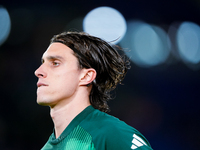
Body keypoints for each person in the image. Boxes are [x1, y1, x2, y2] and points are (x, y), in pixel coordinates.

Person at [35, 31, 153, 150]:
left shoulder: (112, 134)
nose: (38, 71)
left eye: (55, 63)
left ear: (86, 76)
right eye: (43, 62)